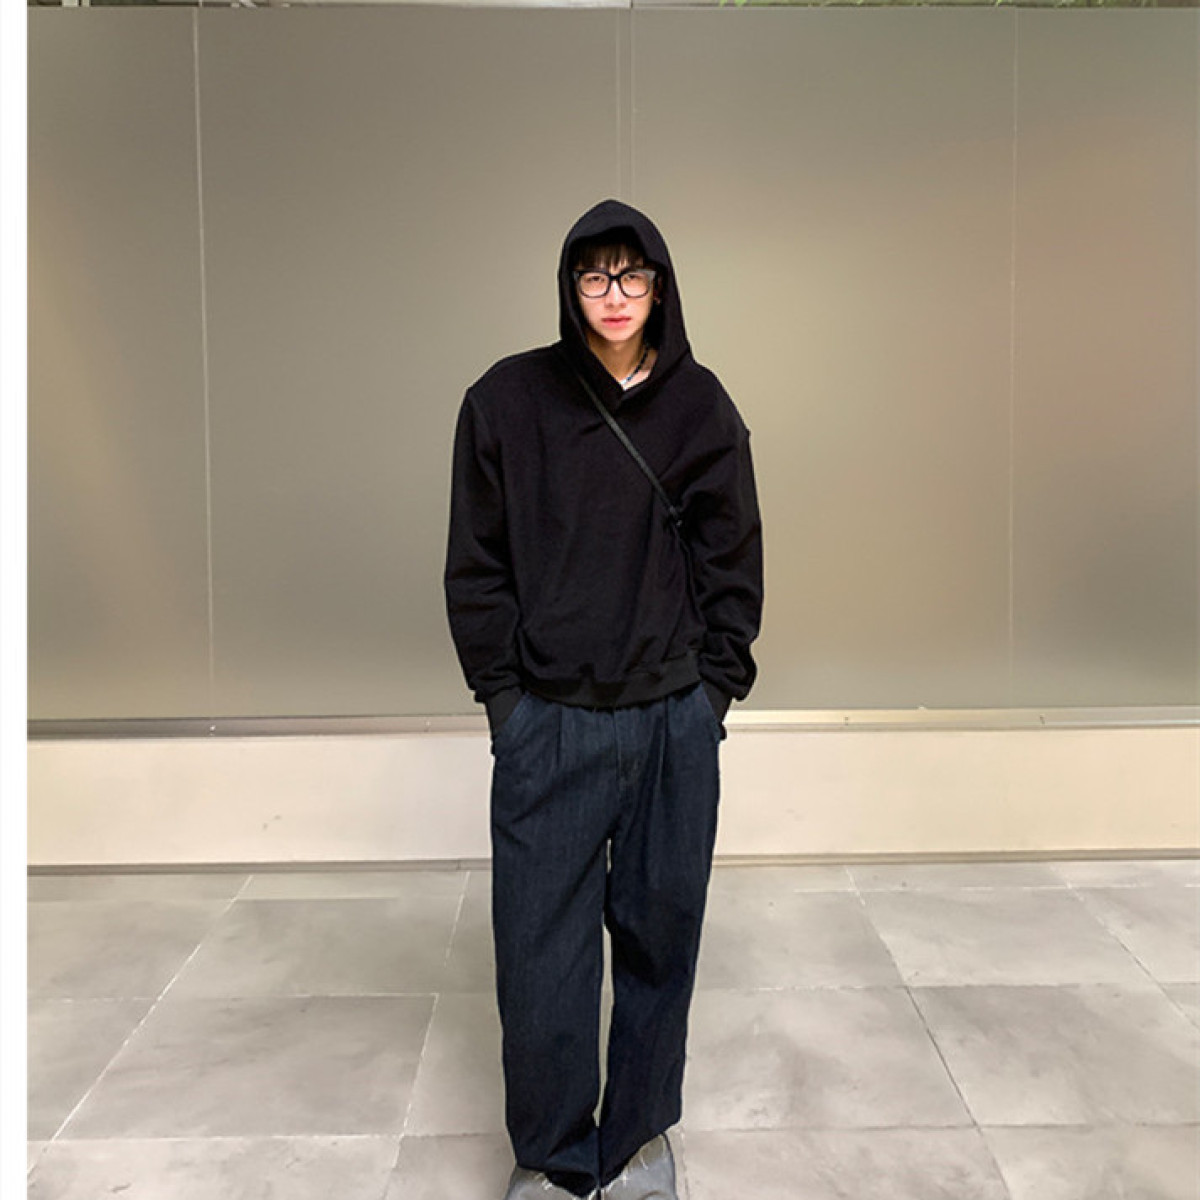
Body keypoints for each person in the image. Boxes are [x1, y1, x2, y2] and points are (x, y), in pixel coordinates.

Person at [444, 199, 763, 1200]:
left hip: (673, 722)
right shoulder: (506, 402)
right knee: (540, 954)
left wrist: (713, 695)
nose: (614, 295)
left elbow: (734, 560)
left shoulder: (701, 408)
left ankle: (635, 1140)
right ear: (569, 287)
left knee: (662, 939)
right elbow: (477, 568)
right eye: (595, 276)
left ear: (660, 287)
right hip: (549, 722)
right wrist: (507, 705)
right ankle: (552, 1155)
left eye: (632, 275)